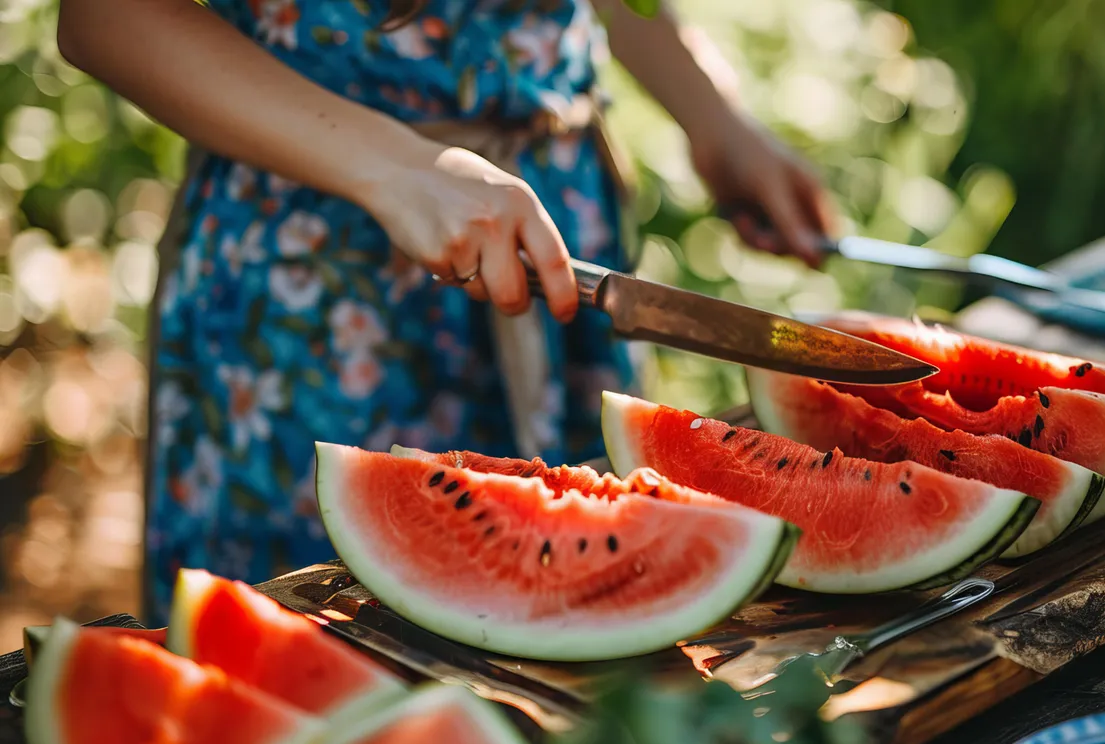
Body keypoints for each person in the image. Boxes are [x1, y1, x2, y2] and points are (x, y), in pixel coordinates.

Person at [55, 0, 837, 625]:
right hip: (314, 287)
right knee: (314, 644)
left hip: (552, 237)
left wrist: (714, 117)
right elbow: (106, 18)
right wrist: (396, 168)